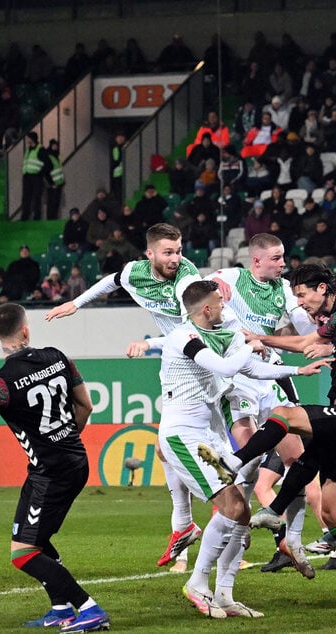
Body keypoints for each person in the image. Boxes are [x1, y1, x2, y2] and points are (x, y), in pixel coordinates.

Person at [199, 264, 336, 615]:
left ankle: (236, 465)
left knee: (284, 414)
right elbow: (305, 341)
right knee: (332, 511)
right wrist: (260, 338)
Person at [153, 280, 328, 619]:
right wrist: (252, 343)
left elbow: (251, 368)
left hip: (206, 438)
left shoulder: (223, 335)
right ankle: (198, 583)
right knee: (233, 507)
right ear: (206, 309)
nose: (224, 306)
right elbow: (226, 368)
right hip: (183, 438)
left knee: (241, 512)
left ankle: (225, 593)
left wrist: (296, 369)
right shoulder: (184, 337)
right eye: (219, 301)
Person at [46, 223, 203, 572]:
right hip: (179, 366)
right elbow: (113, 280)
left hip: (205, 366)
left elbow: (191, 334)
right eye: (168, 252)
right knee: (167, 449)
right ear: (150, 254)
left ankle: (218, 531)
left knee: (215, 458)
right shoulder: (136, 272)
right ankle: (190, 534)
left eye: (178, 251)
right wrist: (76, 302)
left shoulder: (188, 281)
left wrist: (148, 343)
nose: (176, 258)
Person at [0, 303, 110, 631]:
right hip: (74, 461)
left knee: (22, 553)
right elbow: (86, 405)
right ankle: (61, 607)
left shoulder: (0, 383)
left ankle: (89, 609)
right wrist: (65, 439)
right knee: (38, 537)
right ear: (26, 329)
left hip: (49, 473)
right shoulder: (57, 356)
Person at [20, 131, 45, 221]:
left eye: (28, 138)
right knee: (26, 197)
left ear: (32, 139)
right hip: (27, 176)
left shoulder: (40, 149)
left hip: (36, 177)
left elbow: (46, 164)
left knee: (36, 197)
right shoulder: (28, 149)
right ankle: (25, 216)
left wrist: (40, 173)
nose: (27, 140)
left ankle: (36, 217)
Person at [43, 139, 65, 220]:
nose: (56, 147)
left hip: (58, 184)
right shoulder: (49, 156)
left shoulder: (57, 156)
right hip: (52, 185)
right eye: (54, 145)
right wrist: (52, 183)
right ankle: (51, 219)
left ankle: (53, 218)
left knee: (56, 203)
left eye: (56, 145)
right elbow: (46, 172)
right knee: (52, 203)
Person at [110, 131, 126, 202]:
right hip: (117, 173)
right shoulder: (115, 148)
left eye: (121, 137)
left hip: (125, 172)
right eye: (118, 137)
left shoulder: (126, 147)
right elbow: (116, 159)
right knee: (118, 190)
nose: (120, 139)